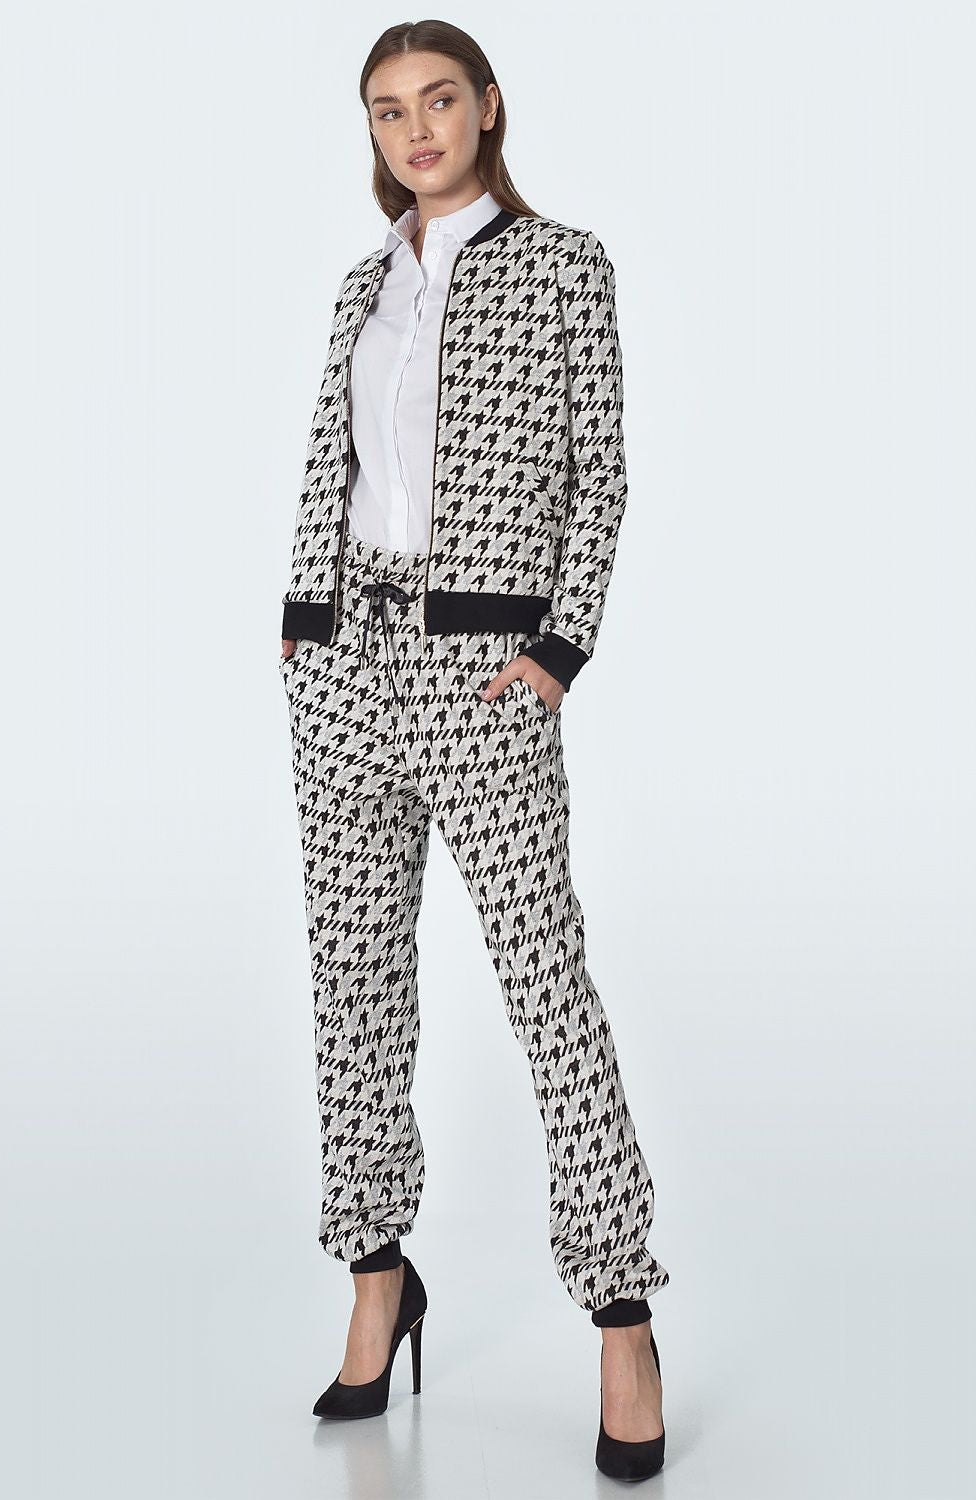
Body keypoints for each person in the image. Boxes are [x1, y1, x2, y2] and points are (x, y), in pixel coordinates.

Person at [277, 19, 670, 1481]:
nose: (417, 129)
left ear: (488, 107)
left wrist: (558, 650)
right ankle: (377, 1277)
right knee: (354, 990)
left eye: (439, 100)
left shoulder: (565, 265)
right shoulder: (361, 287)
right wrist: (303, 618)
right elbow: (334, 461)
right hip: (346, 669)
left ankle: (622, 1315)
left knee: (545, 987)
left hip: (487, 677)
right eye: (388, 111)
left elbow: (599, 470)